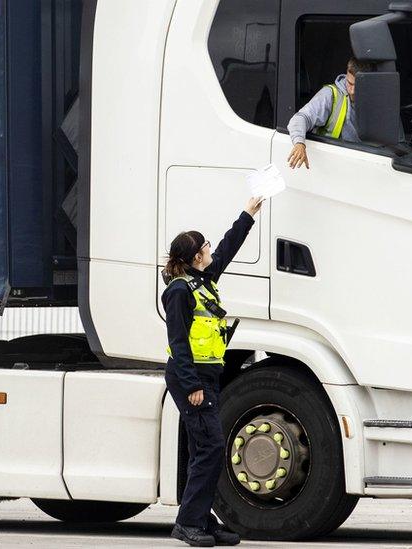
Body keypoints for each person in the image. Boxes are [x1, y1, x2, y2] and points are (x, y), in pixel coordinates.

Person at [162, 196, 264, 547]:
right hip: (190, 378)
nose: (209, 249)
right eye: (204, 246)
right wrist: (191, 385)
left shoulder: (203, 280)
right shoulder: (179, 292)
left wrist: (247, 215)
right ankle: (188, 523)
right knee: (210, 447)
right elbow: (177, 342)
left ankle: (201, 519)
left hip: (208, 377)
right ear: (194, 258)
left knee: (202, 448)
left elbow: (228, 247)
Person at [286, 57, 374, 169]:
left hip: (365, 164)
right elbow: (301, 117)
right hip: (333, 165)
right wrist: (299, 143)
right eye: (349, 83)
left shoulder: (376, 100)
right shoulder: (331, 95)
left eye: (358, 86)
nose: (352, 91)